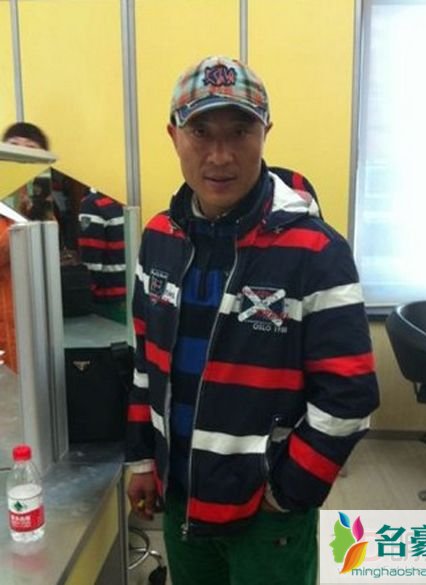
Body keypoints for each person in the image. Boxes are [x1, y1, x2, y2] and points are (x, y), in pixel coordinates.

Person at [126, 56, 379, 585]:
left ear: (265, 133)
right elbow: (145, 363)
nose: (220, 155)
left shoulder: (315, 251)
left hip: (266, 517)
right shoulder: (159, 240)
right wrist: (143, 460)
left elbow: (350, 396)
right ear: (174, 136)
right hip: (181, 498)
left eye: (240, 131)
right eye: (201, 131)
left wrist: (288, 491)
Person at [0, 122, 50, 372]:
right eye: (14, 147)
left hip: (37, 320)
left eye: (31, 149)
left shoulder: (44, 207)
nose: (20, 154)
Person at [78, 188, 126, 323]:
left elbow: (91, 257)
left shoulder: (92, 205)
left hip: (108, 294)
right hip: (135, 291)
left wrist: (87, 289)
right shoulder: (132, 197)